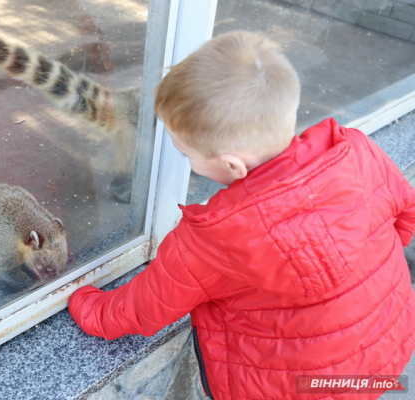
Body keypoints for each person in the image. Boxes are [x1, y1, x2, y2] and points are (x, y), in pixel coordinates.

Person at [68, 30, 415, 399]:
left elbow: (142, 308)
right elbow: (406, 218)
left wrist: (84, 302)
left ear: (232, 165)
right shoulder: (359, 154)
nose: (187, 162)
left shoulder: (216, 237)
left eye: (188, 155)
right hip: (382, 357)